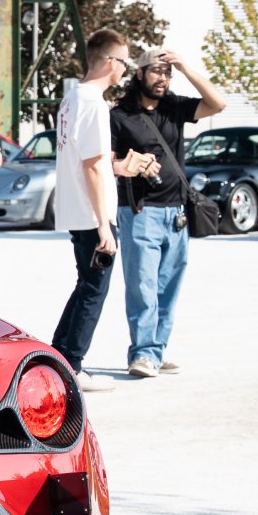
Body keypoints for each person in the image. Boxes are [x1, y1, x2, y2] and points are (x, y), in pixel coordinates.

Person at [50, 28, 158, 393]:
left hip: (77, 209)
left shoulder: (72, 98)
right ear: (111, 62)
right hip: (91, 213)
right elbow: (92, 166)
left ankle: (60, 358)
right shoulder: (94, 103)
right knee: (93, 290)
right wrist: (103, 225)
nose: (126, 70)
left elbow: (90, 161)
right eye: (125, 62)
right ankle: (71, 364)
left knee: (86, 286)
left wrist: (120, 167)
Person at [111, 46, 226, 379]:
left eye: (167, 73)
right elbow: (108, 162)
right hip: (140, 211)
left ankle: (156, 351)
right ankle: (143, 353)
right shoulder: (120, 115)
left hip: (177, 213)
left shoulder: (175, 108)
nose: (162, 78)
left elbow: (218, 103)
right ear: (140, 74)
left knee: (168, 288)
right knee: (142, 286)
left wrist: (186, 68)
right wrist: (134, 164)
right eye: (156, 71)